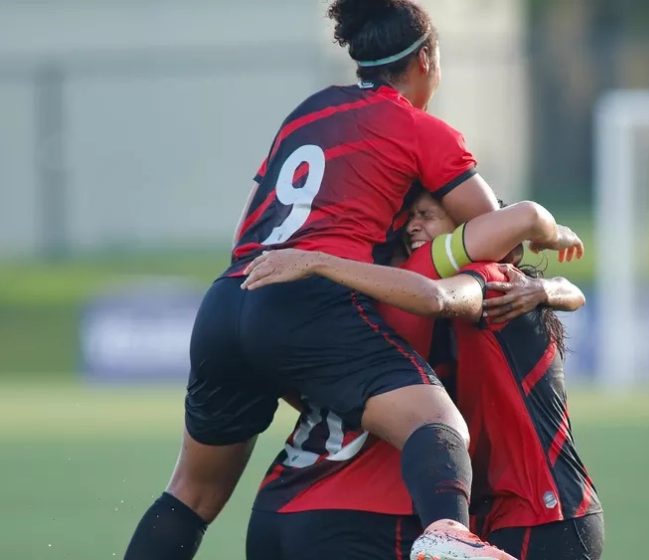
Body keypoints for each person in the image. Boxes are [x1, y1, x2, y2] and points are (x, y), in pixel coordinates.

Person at [123, 1, 553, 559]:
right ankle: (448, 537)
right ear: (427, 59)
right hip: (304, 300)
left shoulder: (309, 110)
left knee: (192, 493)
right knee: (437, 420)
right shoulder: (424, 130)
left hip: (229, 298)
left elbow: (247, 223)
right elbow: (496, 227)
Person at [243, 193, 602, 560]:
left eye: (428, 215)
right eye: (411, 216)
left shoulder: (495, 280)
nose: (413, 225)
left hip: (544, 511)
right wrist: (556, 288)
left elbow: (436, 296)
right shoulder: (461, 307)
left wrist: (318, 262)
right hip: (502, 513)